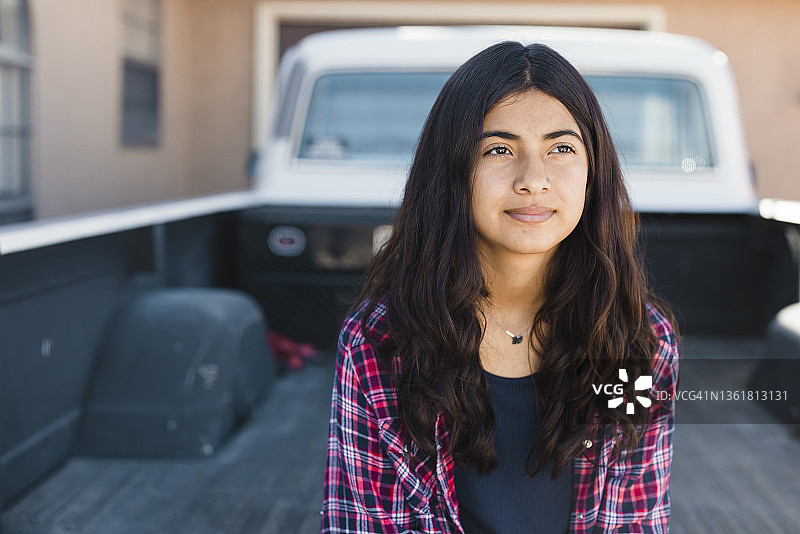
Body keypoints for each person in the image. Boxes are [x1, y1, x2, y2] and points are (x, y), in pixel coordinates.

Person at [321, 40, 679, 534]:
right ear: (453, 171)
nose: (533, 180)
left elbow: (633, 521)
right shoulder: (381, 344)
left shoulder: (639, 342)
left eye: (561, 148)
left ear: (593, 172)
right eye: (499, 149)